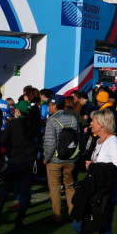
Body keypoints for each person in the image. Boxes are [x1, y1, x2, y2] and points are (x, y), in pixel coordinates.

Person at [72, 108, 117, 234]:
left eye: (93, 120)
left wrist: (94, 167)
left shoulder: (112, 141)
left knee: (103, 228)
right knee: (77, 224)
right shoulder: (99, 140)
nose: (90, 123)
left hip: (106, 191)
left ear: (101, 124)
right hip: (94, 189)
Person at [0, 100, 36, 228]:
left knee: (5, 189)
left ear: (18, 111)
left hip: (16, 161)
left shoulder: (13, 124)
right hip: (29, 161)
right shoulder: (32, 124)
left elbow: (2, 140)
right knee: (24, 192)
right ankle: (19, 220)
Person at [43, 94, 80, 224]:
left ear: (54, 106)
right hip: (71, 159)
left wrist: (46, 159)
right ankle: (73, 214)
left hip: (55, 160)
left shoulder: (51, 121)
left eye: (49, 104)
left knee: (55, 189)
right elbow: (77, 138)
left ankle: (57, 217)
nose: (48, 107)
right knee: (70, 187)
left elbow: (50, 144)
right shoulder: (72, 119)